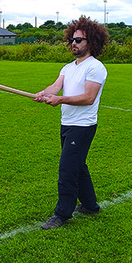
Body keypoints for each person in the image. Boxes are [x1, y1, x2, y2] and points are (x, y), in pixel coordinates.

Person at [34, 16, 109, 230]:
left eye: (78, 40)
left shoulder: (95, 68)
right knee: (79, 167)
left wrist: (59, 100)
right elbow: (55, 87)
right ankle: (90, 206)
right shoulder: (68, 68)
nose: (73, 44)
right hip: (67, 123)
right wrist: (44, 93)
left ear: (91, 42)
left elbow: (88, 98)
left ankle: (62, 214)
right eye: (71, 40)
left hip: (83, 126)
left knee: (67, 170)